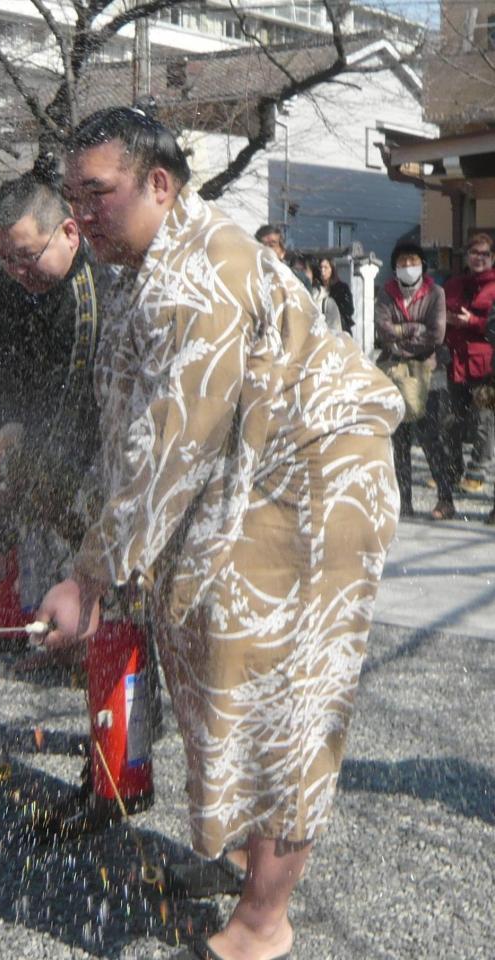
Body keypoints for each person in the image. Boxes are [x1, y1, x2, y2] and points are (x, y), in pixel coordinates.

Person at [38, 107, 403, 960]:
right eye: (72, 198)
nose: (81, 215)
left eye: (98, 194)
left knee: (282, 695)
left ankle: (262, 921)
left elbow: (172, 441)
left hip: (314, 484)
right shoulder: (148, 269)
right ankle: (246, 860)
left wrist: (90, 577)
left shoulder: (198, 274)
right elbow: (131, 428)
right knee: (207, 656)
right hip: (244, 479)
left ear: (158, 184)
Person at [0, 173, 133, 833]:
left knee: (121, 625)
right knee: (97, 627)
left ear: (68, 231)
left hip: (120, 475)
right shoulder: (14, 289)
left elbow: (68, 422)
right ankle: (110, 771)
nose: (17, 271)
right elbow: (3, 374)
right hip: (56, 471)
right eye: (3, 258)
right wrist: (3, 419)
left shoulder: (97, 296)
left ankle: (120, 780)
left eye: (28, 255)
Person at [374, 241, 447, 518]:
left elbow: (436, 334)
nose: (407, 267)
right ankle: (404, 501)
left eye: (412, 261)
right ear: (395, 265)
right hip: (395, 373)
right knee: (400, 439)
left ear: (422, 264)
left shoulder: (435, 293)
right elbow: (382, 330)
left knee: (431, 438)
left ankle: (445, 497)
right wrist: (415, 329)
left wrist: (401, 335)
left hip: (429, 370)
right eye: (402, 262)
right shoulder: (386, 293)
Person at [442, 232, 495, 497]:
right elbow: (440, 313)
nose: (479, 258)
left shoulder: (494, 286)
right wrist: (447, 322)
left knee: (483, 421)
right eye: (474, 253)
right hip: (456, 361)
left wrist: (472, 322)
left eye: (485, 253)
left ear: (492, 258)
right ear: (467, 256)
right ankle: (452, 470)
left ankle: (478, 472)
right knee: (453, 419)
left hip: (486, 366)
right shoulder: (454, 284)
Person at [319, 256, 354, 334]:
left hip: (340, 328)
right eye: (321, 267)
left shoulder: (342, 288)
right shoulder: (317, 288)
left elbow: (350, 309)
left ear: (332, 270)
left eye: (326, 267)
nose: (322, 270)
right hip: (321, 330)